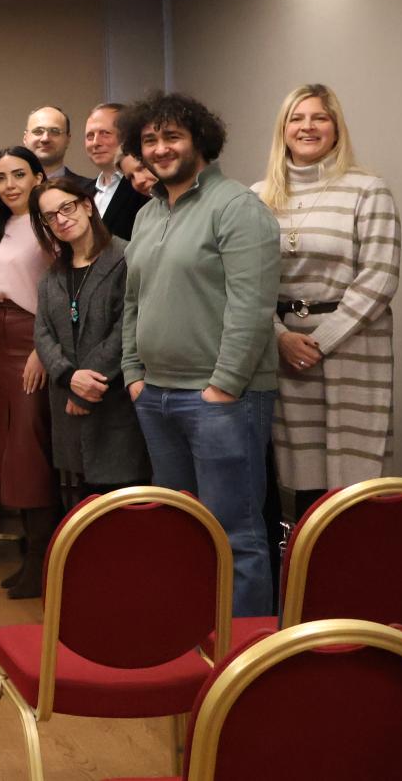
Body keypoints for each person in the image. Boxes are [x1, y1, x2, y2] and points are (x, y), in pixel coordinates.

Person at [120, 92, 281, 617]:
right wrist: (133, 373)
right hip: (156, 395)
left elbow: (252, 307)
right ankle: (192, 637)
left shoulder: (238, 207)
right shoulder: (148, 214)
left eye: (172, 137)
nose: (160, 149)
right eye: (150, 140)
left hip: (222, 401)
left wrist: (224, 386)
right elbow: (133, 300)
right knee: (181, 529)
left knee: (236, 535)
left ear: (200, 141)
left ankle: (245, 654)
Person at [253, 84, 400, 514]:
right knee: (302, 484)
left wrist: (320, 342)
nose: (308, 127)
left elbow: (380, 275)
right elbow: (247, 283)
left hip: (353, 347)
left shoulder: (367, 189)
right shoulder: (257, 197)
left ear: (336, 128)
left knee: (355, 484)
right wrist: (280, 338)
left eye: (319, 117)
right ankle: (305, 558)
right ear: (283, 129)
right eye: (296, 118)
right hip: (286, 352)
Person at [0, 146, 56, 599]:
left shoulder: (50, 225)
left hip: (32, 339)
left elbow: (61, 289)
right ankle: (30, 556)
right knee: (6, 450)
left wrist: (44, 348)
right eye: (1, 177)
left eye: (19, 175)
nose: (9, 185)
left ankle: (45, 560)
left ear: (38, 177)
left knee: (29, 452)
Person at [31, 177, 146, 509]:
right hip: (68, 403)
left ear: (86, 205)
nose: (61, 219)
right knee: (85, 507)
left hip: (115, 402)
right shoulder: (52, 275)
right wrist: (70, 378)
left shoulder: (126, 257)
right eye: (50, 216)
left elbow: (127, 327)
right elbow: (42, 333)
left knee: (125, 506)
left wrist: (87, 382)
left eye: (66, 208)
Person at [83, 105, 148, 240]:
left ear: (128, 136)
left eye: (105, 133)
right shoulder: (83, 192)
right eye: (90, 136)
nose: (95, 143)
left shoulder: (146, 187)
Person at [23, 106, 91, 185]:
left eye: (55, 132)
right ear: (25, 138)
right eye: (38, 131)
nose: (45, 139)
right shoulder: (11, 188)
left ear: (68, 139)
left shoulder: (88, 190)